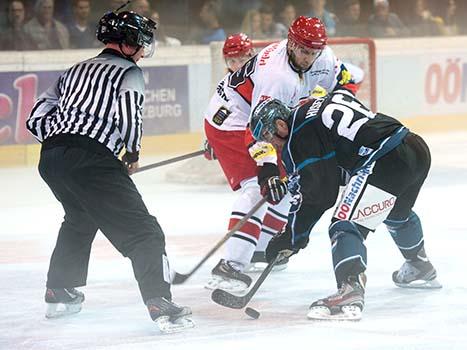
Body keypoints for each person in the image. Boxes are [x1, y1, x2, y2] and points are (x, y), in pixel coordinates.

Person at [25, 9, 194, 333]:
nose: (145, 49)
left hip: (52, 158)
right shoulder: (129, 72)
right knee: (145, 232)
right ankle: (159, 300)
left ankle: (59, 290)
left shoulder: (75, 70)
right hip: (92, 161)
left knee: (79, 218)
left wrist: (62, 140)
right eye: (142, 42)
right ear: (129, 43)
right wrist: (131, 153)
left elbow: (36, 115)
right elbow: (131, 115)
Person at [249, 90, 442, 321]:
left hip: (384, 159)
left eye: (269, 137)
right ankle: (419, 266)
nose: (273, 145)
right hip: (413, 147)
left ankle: (350, 291)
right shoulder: (312, 109)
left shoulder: (297, 136)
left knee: (345, 223)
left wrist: (291, 237)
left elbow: (320, 194)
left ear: (281, 125)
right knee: (394, 213)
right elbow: (338, 164)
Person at [204, 17, 358, 292]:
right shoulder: (277, 76)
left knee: (288, 186)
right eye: (303, 51)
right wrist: (267, 169)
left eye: (314, 52)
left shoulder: (325, 58)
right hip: (234, 121)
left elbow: (347, 82)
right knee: (259, 187)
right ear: (291, 43)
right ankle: (229, 266)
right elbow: (257, 128)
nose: (308, 58)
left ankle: (262, 250)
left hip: (268, 118)